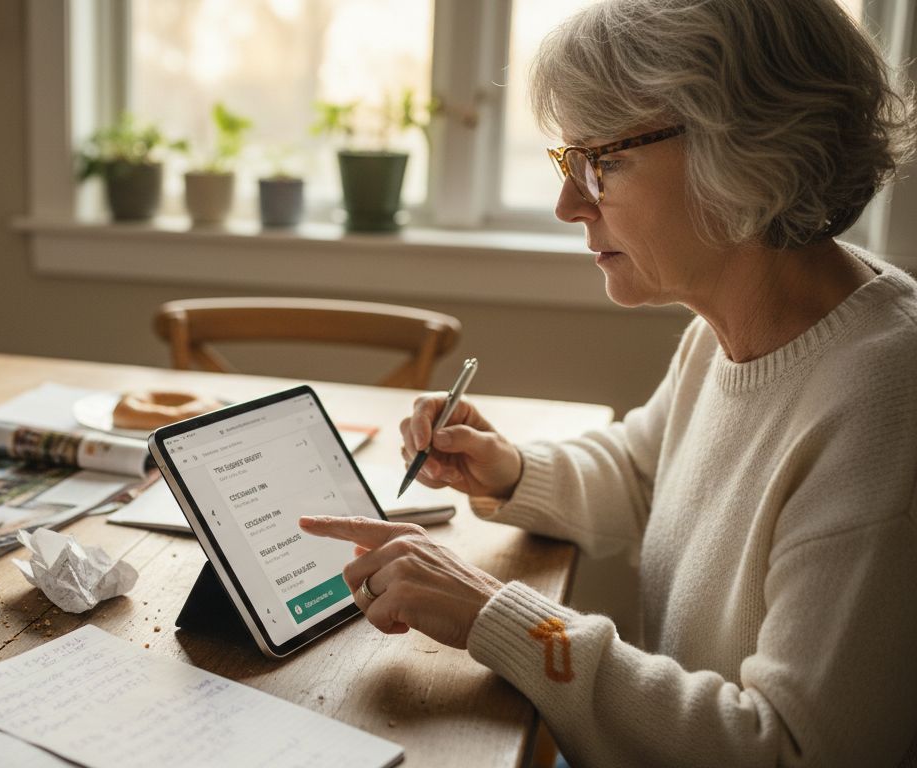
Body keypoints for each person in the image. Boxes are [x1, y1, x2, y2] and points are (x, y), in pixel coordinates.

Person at [299, 0, 917, 764]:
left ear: (751, 146)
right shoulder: (725, 335)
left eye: (605, 161)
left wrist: (498, 614)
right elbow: (642, 473)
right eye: (570, 160)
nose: (568, 203)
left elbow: (788, 749)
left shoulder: (886, 399)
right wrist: (512, 470)